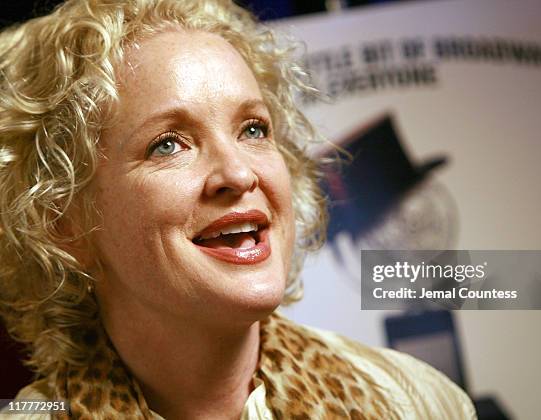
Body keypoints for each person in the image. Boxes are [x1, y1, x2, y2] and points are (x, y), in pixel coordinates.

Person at [0, 0, 476, 418]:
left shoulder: (415, 403)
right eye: (168, 145)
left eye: (253, 130)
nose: (239, 174)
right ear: (62, 223)